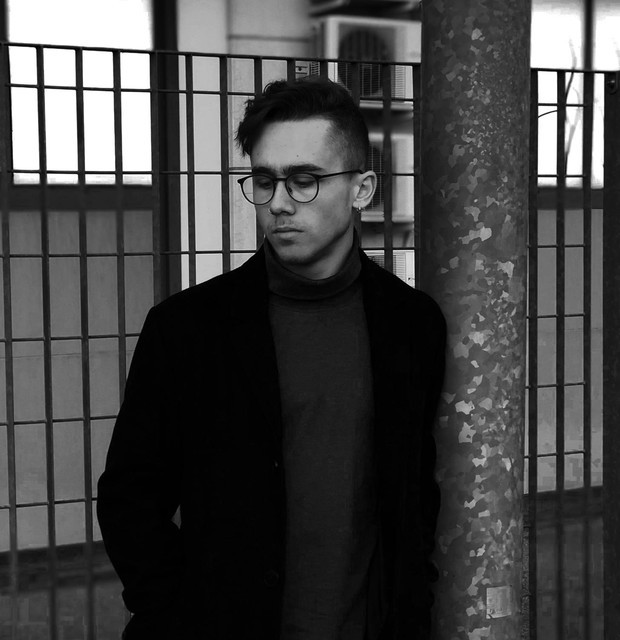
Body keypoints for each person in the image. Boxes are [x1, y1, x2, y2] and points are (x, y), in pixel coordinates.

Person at [97, 76, 446, 640]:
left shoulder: (412, 324)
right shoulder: (187, 329)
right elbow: (129, 498)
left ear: (362, 189)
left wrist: (412, 604)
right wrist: (173, 613)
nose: (279, 203)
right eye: (264, 181)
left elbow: (414, 492)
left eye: (304, 180)